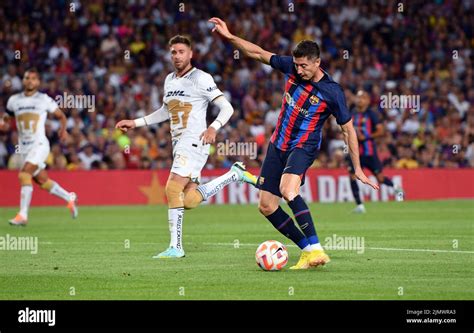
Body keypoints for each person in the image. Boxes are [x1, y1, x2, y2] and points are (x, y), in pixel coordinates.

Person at [209, 18, 379, 269]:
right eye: (297, 65)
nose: (299, 70)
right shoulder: (290, 67)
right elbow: (258, 53)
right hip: (278, 144)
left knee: (289, 191)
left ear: (317, 62)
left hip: (303, 146)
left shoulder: (332, 92)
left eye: (304, 66)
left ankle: (317, 248)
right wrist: (230, 37)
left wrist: (357, 168)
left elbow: (348, 130)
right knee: (266, 206)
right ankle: (307, 250)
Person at [116, 35, 257, 259]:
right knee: (188, 200)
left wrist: (214, 128)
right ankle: (234, 175)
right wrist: (135, 123)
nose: (177, 56)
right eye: (173, 52)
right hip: (179, 143)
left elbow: (227, 108)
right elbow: (165, 112)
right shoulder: (169, 80)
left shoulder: (201, 78)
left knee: (172, 189)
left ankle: (176, 247)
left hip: (193, 141)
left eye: (181, 51)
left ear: (190, 54)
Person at [2, 68, 78, 226]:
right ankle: (69, 197)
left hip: (40, 144)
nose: (30, 81)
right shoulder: (13, 100)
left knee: (24, 175)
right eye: (27, 78)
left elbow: (61, 116)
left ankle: (23, 215)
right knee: (41, 180)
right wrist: (3, 124)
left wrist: (63, 130)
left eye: (33, 78)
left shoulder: (44, 99)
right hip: (24, 148)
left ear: (38, 82)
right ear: (23, 80)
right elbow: (6, 120)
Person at [348, 90, 404, 213]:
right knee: (352, 176)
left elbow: (381, 131)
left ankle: (396, 188)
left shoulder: (371, 114)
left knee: (380, 178)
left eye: (362, 97)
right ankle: (359, 206)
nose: (359, 100)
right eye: (358, 97)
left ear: (367, 101)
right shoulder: (352, 113)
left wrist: (366, 136)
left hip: (370, 153)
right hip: (356, 153)